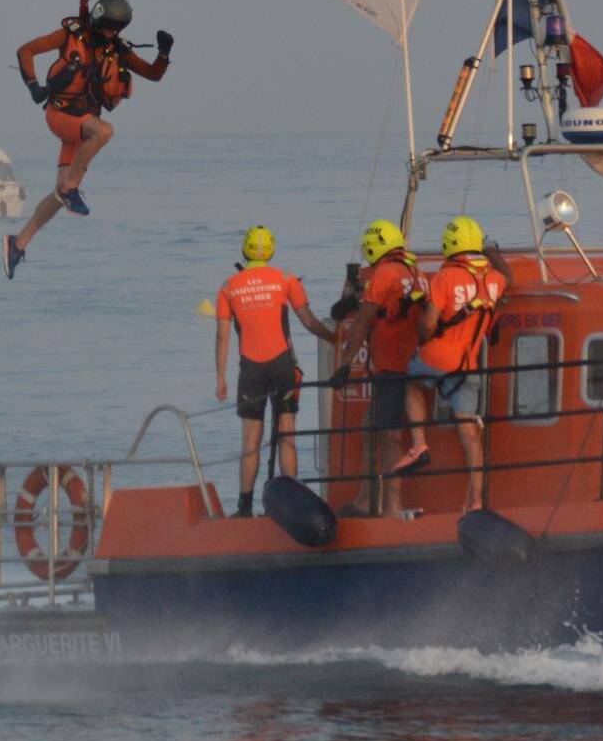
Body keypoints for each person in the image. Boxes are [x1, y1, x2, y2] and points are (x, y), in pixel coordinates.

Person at [5, 0, 171, 277]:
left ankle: (17, 244)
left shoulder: (117, 50)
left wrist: (164, 54)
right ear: (96, 20)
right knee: (104, 130)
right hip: (61, 115)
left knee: (58, 196)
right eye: (106, 27)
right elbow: (25, 51)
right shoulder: (70, 37)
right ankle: (71, 190)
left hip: (81, 131)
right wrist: (33, 85)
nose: (110, 33)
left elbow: (153, 74)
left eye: (116, 29)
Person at [214, 225, 337, 517]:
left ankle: (244, 507)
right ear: (271, 250)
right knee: (287, 435)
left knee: (251, 442)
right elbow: (308, 321)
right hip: (284, 366)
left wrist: (220, 377)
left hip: (251, 370)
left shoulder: (229, 286)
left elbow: (222, 335)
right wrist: (336, 339)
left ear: (245, 251)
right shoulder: (286, 279)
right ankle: (291, 502)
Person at [409, 215, 508, 515]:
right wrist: (493, 253)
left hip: (437, 358)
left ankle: (419, 444)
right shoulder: (495, 280)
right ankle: (476, 499)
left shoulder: (445, 277)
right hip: (469, 365)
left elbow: (428, 323)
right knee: (469, 432)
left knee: (411, 383)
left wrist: (422, 340)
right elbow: (507, 278)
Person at [334, 218, 429, 512]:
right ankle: (374, 499)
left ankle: (380, 503)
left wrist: (345, 364)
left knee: (386, 435)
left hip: (392, 366)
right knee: (376, 430)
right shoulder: (416, 273)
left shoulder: (385, 273)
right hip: (409, 364)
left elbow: (364, 320)